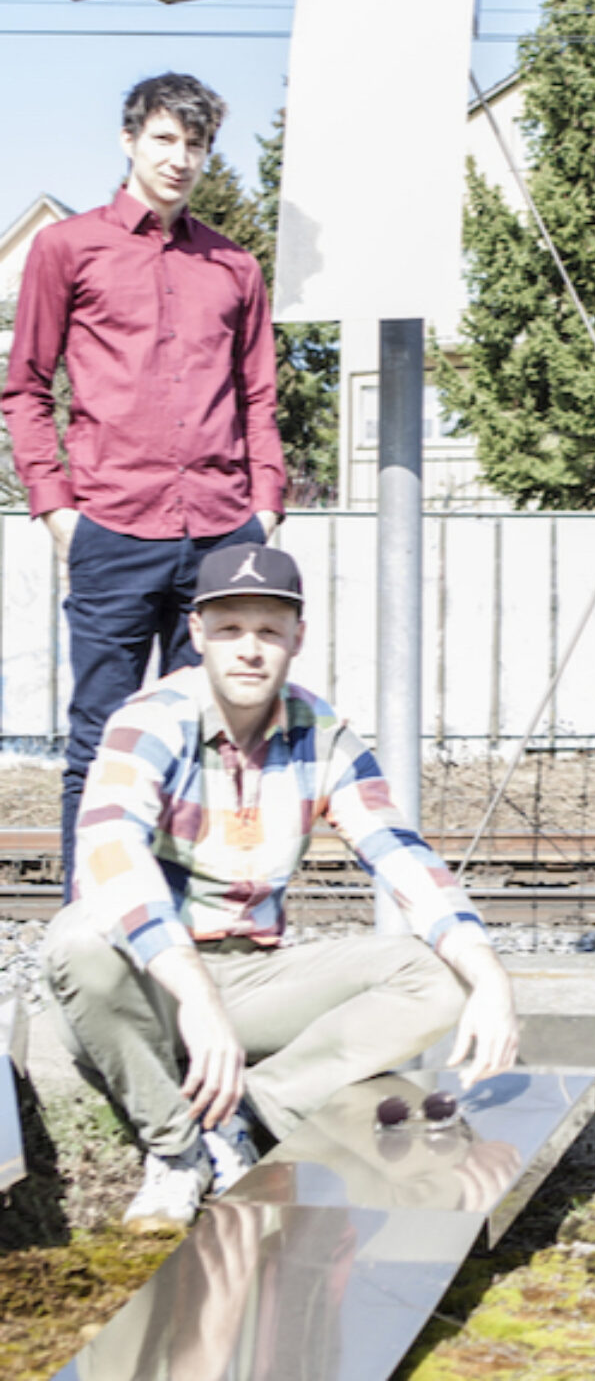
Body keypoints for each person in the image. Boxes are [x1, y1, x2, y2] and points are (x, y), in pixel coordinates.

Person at [42, 542, 521, 1229]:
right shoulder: (150, 719)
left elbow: (399, 853)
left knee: (438, 976)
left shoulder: (319, 733)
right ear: (198, 633)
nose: (249, 650)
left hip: (251, 980)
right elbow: (109, 851)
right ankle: (175, 1150)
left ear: (297, 638)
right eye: (230, 629)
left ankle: (246, 1111)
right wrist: (195, 994)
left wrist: (490, 976)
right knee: (79, 940)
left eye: (269, 631)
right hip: (146, 985)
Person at [1, 72, 286, 896]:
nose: (180, 158)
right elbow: (25, 388)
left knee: (211, 740)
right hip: (113, 528)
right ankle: (92, 929)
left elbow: (258, 396)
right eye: (165, 139)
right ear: (129, 140)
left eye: (196, 144)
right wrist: (57, 508)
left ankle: (193, 926)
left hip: (222, 533)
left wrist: (265, 507)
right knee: (103, 740)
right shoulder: (67, 248)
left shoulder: (234, 265)